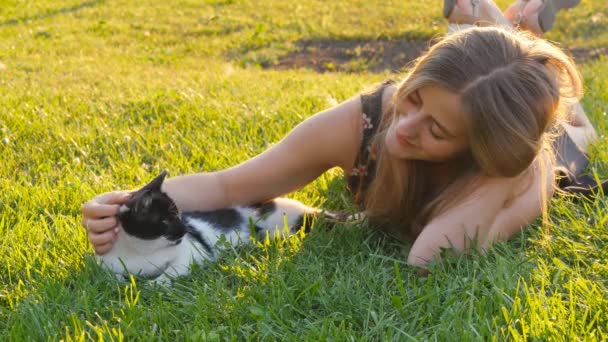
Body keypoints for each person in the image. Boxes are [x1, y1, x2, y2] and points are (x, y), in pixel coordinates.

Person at [81, 0, 598, 269]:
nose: (405, 127)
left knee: (580, 127)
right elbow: (227, 188)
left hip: (545, 156)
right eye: (414, 97)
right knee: (491, 75)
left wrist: (500, 178)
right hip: (486, 105)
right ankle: (499, 27)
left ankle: (517, 24)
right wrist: (129, 204)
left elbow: (428, 257)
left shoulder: (508, 176)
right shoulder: (368, 119)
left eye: (436, 130)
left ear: (478, 150)